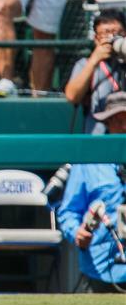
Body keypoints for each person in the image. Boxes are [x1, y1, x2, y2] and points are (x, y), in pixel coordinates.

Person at [57, 90, 126, 292]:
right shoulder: (88, 160)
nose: (123, 127)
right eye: (117, 121)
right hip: (102, 267)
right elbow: (68, 212)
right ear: (107, 124)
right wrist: (76, 232)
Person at [65, 10, 126, 135]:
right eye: (105, 34)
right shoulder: (85, 64)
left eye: (117, 33)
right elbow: (72, 96)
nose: (112, 38)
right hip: (98, 137)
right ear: (96, 38)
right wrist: (94, 61)